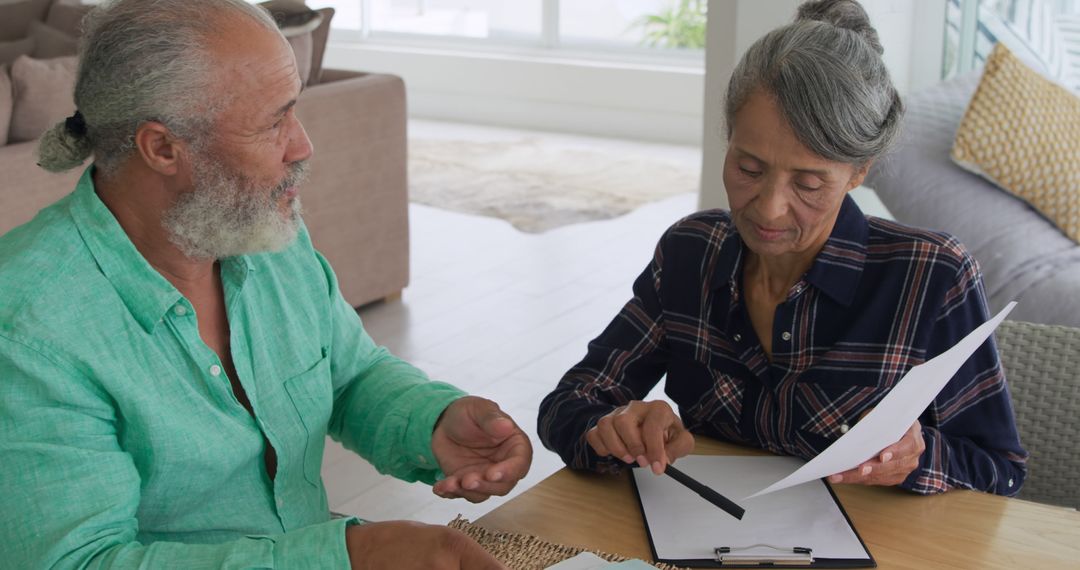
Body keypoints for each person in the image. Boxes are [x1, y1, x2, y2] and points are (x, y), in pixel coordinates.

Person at [0, 0, 530, 567]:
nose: (302, 145)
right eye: (272, 121)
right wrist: (352, 556)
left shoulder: (260, 230)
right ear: (161, 148)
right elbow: (79, 563)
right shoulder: (27, 330)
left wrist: (433, 421)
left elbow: (348, 374)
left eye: (294, 110)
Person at [538, 0, 1026, 496]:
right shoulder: (691, 253)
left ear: (860, 171)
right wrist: (614, 426)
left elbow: (1001, 469)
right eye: (749, 169)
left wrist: (918, 458)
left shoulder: (931, 275)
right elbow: (567, 406)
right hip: (703, 536)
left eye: (809, 184)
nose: (768, 209)